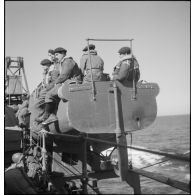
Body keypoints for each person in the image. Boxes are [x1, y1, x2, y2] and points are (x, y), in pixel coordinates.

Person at [36, 47, 82, 124]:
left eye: (57, 54)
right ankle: (49, 114)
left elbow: (64, 75)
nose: (56, 56)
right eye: (55, 55)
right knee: (52, 92)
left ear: (63, 54)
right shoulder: (63, 62)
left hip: (73, 82)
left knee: (49, 94)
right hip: (68, 82)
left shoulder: (68, 61)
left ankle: (50, 116)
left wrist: (54, 84)